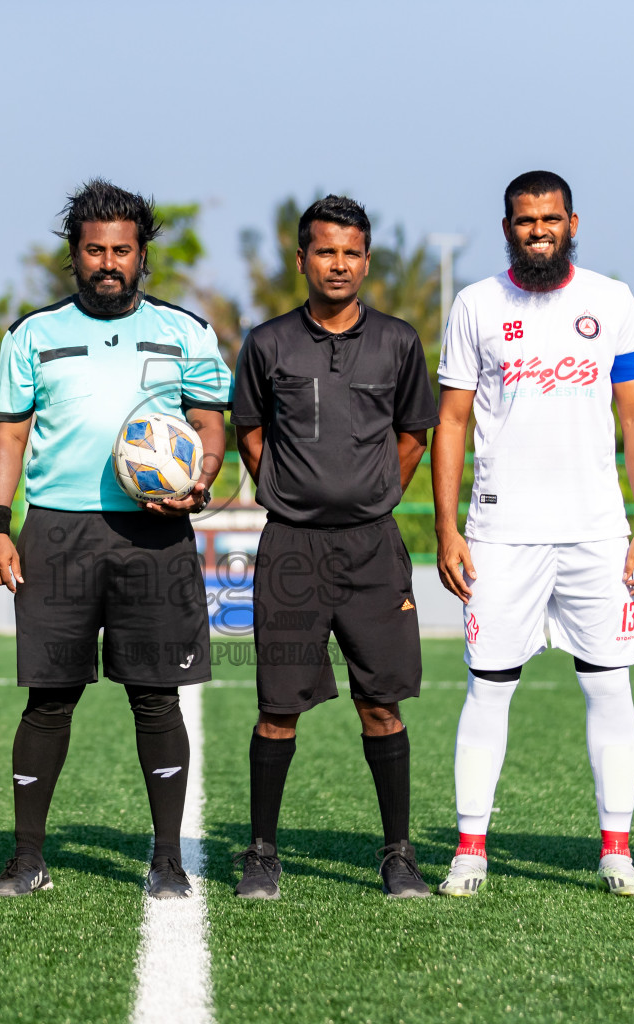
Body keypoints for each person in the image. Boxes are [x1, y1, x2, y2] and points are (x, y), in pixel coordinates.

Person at [0, 179, 231, 899]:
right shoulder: (33, 335)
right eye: (95, 250)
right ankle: (29, 857)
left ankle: (167, 859)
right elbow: (10, 436)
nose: (108, 262)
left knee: (156, 698)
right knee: (49, 698)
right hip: (57, 532)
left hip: (154, 535)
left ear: (142, 255)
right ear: (75, 256)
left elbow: (210, 425)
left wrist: (201, 480)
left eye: (122, 250)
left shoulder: (185, 331)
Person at [431, 170, 634, 898]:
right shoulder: (476, 305)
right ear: (507, 228)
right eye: (526, 220)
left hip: (596, 533)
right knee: (488, 690)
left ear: (573, 223)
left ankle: (617, 850)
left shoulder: (611, 300)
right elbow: (454, 421)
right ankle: (470, 850)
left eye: (551, 218)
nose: (539, 230)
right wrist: (447, 526)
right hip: (501, 534)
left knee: (609, 688)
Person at [227, 195, 440, 899]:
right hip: (291, 549)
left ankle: (399, 852)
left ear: (367, 261)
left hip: (374, 550)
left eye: (350, 252)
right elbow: (251, 431)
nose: (338, 264)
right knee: (277, 707)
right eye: (325, 251)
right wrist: (288, 492)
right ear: (302, 260)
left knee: (382, 703)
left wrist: (377, 489)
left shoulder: (399, 341)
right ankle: (261, 851)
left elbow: (414, 432)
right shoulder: (267, 343)